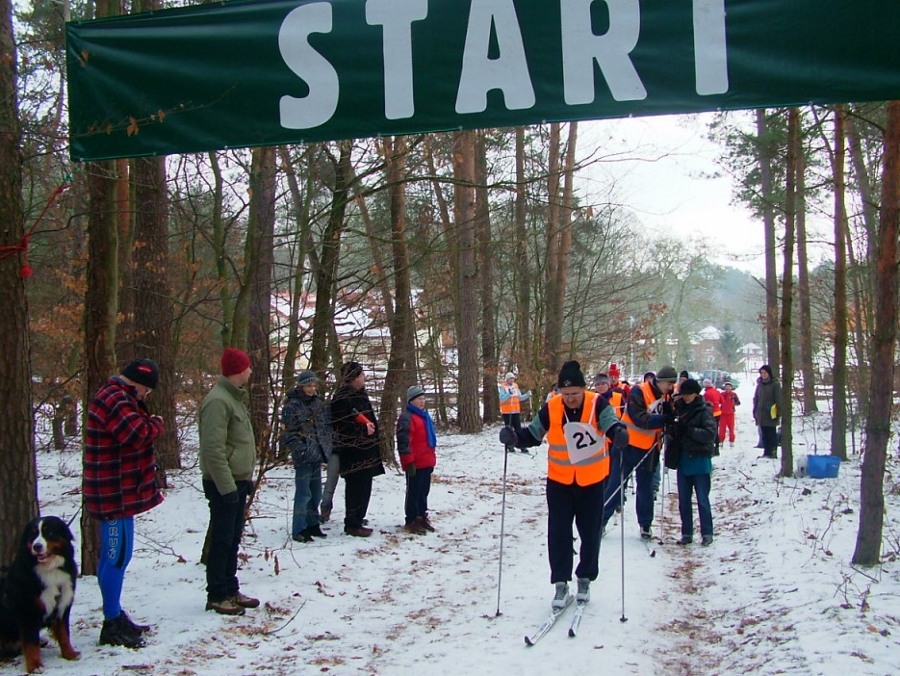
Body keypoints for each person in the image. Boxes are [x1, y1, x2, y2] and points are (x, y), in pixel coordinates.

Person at [499, 360, 626, 610]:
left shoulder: (597, 403)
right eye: (566, 394)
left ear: (583, 389)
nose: (570, 399)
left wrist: (619, 433)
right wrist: (514, 437)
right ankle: (560, 582)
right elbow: (534, 434)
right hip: (559, 481)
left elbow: (611, 423)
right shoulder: (552, 406)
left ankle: (585, 577)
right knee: (558, 532)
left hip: (592, 480)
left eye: (574, 394)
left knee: (590, 532)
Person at [84, 358, 164, 648]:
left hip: (120, 491)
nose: (146, 397)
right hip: (113, 494)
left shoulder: (118, 397)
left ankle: (115, 614)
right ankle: (111, 621)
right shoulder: (115, 399)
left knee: (119, 556)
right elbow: (137, 434)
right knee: (116, 557)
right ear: (140, 384)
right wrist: (155, 423)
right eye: (147, 391)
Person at [199, 347, 259, 616]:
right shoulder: (218, 401)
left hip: (238, 480)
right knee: (222, 539)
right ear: (238, 370)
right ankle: (217, 594)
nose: (250, 371)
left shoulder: (234, 398)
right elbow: (214, 450)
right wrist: (227, 487)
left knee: (233, 538)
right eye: (247, 367)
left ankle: (230, 588)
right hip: (224, 483)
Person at [601, 365, 677, 540]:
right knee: (616, 484)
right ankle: (601, 520)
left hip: (650, 448)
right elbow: (640, 418)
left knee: (646, 488)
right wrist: (664, 419)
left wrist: (671, 416)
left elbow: (668, 417)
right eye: (669, 383)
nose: (671, 387)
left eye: (672, 384)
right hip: (627, 445)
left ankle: (645, 524)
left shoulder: (666, 395)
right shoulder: (639, 391)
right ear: (660, 381)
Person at [330, 361, 386, 537]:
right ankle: (352, 522)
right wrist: (363, 430)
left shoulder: (360, 395)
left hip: (366, 449)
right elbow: (341, 426)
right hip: (353, 452)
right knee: (356, 486)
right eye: (361, 375)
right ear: (353, 378)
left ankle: (359, 517)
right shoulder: (342, 398)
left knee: (365, 485)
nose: (364, 378)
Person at [279, 370, 331, 543]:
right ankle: (299, 528)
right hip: (303, 455)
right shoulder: (291, 407)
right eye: (308, 385)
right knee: (303, 494)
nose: (311, 389)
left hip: (317, 453)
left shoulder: (318, 404)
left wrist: (326, 446)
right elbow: (289, 434)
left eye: (314, 385)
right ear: (301, 386)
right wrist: (300, 450)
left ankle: (312, 523)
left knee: (316, 493)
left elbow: (324, 428)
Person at [667, 378, 717, 546]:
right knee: (684, 500)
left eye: (689, 394)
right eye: (684, 394)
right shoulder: (678, 409)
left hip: (700, 460)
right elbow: (673, 432)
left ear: (696, 393)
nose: (686, 397)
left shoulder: (704, 410)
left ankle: (707, 533)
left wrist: (689, 430)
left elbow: (709, 434)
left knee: (702, 499)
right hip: (683, 459)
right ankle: (686, 532)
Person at [396, 385, 438, 535]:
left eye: (423, 398)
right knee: (413, 492)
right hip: (415, 462)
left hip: (426, 460)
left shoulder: (424, 416)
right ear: (411, 400)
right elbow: (404, 441)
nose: (422, 401)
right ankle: (411, 519)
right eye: (419, 399)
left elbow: (429, 440)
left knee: (423, 492)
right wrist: (408, 461)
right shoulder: (407, 417)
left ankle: (421, 516)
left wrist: (432, 460)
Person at [753, 364, 782, 458]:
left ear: (769, 373)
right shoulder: (760, 384)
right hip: (761, 412)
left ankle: (773, 452)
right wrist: (755, 410)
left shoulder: (775, 384)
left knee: (771, 433)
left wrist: (778, 411)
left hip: (771, 412)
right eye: (762, 373)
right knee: (764, 433)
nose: (763, 374)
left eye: (765, 373)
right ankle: (766, 452)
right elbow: (756, 398)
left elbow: (778, 398)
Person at [498, 372, 531, 453]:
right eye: (510, 378)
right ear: (507, 379)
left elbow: (520, 398)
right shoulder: (503, 387)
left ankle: (521, 445)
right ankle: (510, 445)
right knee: (509, 429)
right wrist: (509, 394)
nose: (512, 380)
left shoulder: (515, 386)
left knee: (518, 429)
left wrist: (527, 395)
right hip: (507, 412)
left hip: (515, 411)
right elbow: (502, 398)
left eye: (513, 378)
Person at [702, 379, 724, 455]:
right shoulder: (717, 391)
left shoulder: (706, 394)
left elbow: (704, 404)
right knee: (716, 430)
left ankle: (712, 448)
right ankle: (717, 448)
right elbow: (722, 401)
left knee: (710, 431)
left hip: (710, 414)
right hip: (718, 413)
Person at [719, 381, 741, 446]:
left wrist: (734, 401)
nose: (728, 388)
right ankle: (721, 441)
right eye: (726, 387)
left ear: (731, 388)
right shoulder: (722, 394)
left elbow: (738, 403)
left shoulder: (734, 394)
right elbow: (718, 401)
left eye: (729, 387)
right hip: (723, 414)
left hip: (731, 414)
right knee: (722, 429)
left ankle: (731, 441)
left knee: (731, 428)